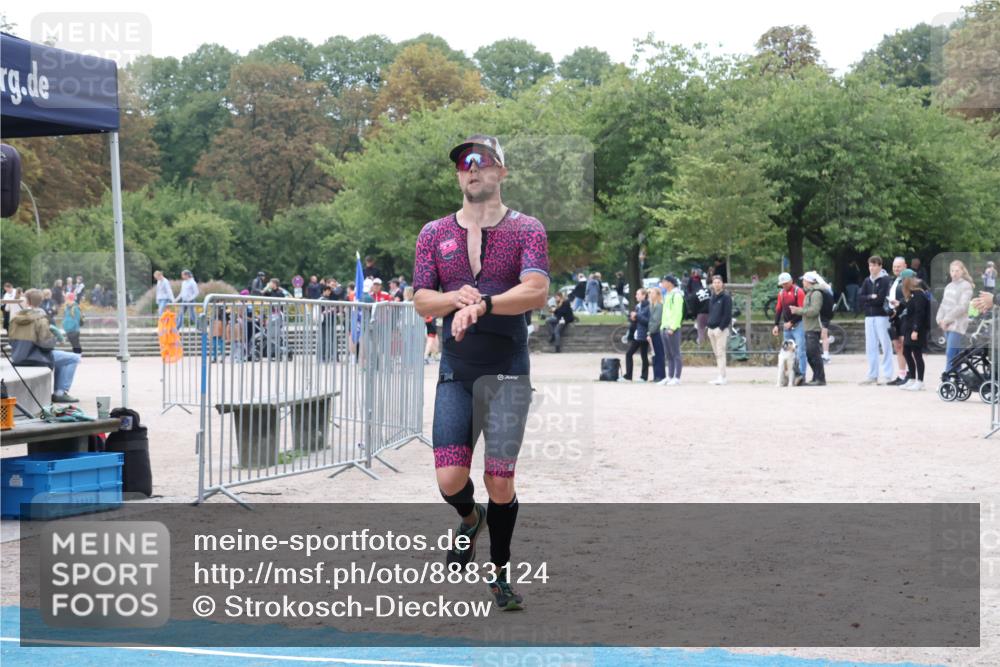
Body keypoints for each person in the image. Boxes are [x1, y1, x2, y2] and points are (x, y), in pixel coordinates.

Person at [412, 134, 548, 612]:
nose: (472, 169)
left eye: (483, 161)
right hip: (458, 371)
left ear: (501, 172)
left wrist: (487, 303)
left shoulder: (526, 228)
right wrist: (457, 299)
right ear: (458, 175)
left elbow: (535, 291)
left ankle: (500, 574)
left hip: (508, 370)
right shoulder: (433, 233)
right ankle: (470, 519)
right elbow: (421, 300)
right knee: (450, 479)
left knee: (500, 481)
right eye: (464, 164)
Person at [8, 289, 81, 403]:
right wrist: (54, 338)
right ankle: (60, 393)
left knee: (63, 358)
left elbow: (11, 342)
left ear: (27, 302)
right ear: (40, 302)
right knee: (74, 358)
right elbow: (46, 345)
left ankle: (59, 392)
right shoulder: (40, 319)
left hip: (17, 357)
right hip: (36, 357)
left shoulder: (15, 319)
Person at [858, 256, 894, 385]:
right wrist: (870, 297)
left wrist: (869, 299)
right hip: (869, 317)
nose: (871, 268)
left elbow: (880, 300)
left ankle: (887, 375)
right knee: (870, 346)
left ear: (880, 266)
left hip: (881, 316)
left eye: (874, 265)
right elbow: (860, 298)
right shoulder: (867, 280)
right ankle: (872, 374)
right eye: (870, 265)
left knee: (885, 345)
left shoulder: (885, 280)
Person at [936, 260, 975, 373]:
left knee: (951, 352)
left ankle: (947, 377)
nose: (954, 273)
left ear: (962, 271)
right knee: (956, 353)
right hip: (946, 324)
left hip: (958, 324)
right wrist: (939, 320)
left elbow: (962, 307)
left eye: (957, 270)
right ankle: (958, 376)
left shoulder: (966, 286)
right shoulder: (948, 286)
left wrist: (947, 319)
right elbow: (943, 304)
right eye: (952, 270)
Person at [895, 270, 931, 391]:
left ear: (906, 280)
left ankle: (920, 381)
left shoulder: (919, 294)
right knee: (906, 352)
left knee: (917, 354)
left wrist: (916, 330)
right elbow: (909, 308)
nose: (901, 283)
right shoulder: (911, 294)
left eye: (902, 280)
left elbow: (919, 313)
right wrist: (899, 305)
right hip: (908, 328)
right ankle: (911, 378)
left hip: (916, 329)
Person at [789, 272, 826, 386]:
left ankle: (820, 379)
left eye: (804, 280)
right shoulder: (810, 293)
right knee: (810, 354)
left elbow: (814, 311)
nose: (803, 282)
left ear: (809, 281)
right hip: (808, 327)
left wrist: (798, 310)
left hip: (813, 328)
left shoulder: (816, 294)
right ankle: (816, 377)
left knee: (814, 354)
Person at [771, 272, 806, 384]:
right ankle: (786, 377)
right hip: (787, 326)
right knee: (785, 351)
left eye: (786, 283)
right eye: (782, 284)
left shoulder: (798, 292)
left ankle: (801, 376)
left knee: (800, 351)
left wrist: (792, 322)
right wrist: (776, 324)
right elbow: (778, 309)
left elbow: (802, 310)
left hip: (798, 324)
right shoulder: (781, 293)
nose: (784, 285)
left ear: (791, 281)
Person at [885, 257, 909, 385]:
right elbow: (887, 298)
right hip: (894, 317)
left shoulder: (909, 281)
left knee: (906, 346)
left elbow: (913, 299)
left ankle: (911, 375)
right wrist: (889, 310)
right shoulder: (893, 281)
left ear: (905, 266)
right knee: (898, 347)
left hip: (905, 316)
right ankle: (901, 374)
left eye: (898, 266)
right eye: (894, 267)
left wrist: (900, 305)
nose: (896, 269)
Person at [657, 275, 684, 386]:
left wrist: (673, 327)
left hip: (672, 328)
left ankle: (677, 377)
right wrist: (662, 326)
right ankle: (669, 376)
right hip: (664, 327)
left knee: (675, 353)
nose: (662, 284)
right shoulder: (667, 295)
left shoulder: (676, 295)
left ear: (670, 283)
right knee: (668, 354)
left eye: (664, 281)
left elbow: (678, 313)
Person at [706, 274, 732, 385]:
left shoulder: (726, 297)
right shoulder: (712, 296)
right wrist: (708, 326)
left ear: (722, 284)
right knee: (717, 353)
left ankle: (723, 376)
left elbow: (727, 315)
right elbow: (710, 312)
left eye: (718, 282)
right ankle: (720, 375)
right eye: (714, 282)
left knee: (721, 353)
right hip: (711, 329)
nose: (716, 284)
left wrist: (721, 328)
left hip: (720, 329)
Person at [623, 288, 650, 381]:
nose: (636, 296)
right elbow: (635, 319)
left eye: (638, 294)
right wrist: (632, 318)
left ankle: (642, 376)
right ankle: (630, 375)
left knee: (640, 355)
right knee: (633, 354)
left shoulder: (648, 307)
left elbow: (647, 321)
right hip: (637, 333)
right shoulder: (638, 306)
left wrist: (637, 316)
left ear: (644, 295)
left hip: (643, 334)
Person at [686, 269, 711, 346]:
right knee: (711, 330)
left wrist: (693, 315)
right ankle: (711, 346)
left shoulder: (694, 295)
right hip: (712, 312)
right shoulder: (707, 290)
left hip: (701, 314)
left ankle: (703, 347)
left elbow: (693, 309)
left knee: (701, 330)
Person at [647, 287, 665, 382]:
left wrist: (650, 332)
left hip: (657, 332)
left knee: (659, 354)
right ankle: (656, 375)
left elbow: (656, 321)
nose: (650, 295)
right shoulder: (651, 305)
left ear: (658, 295)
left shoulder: (659, 306)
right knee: (654, 354)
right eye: (650, 293)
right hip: (652, 332)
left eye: (653, 293)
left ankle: (661, 375)